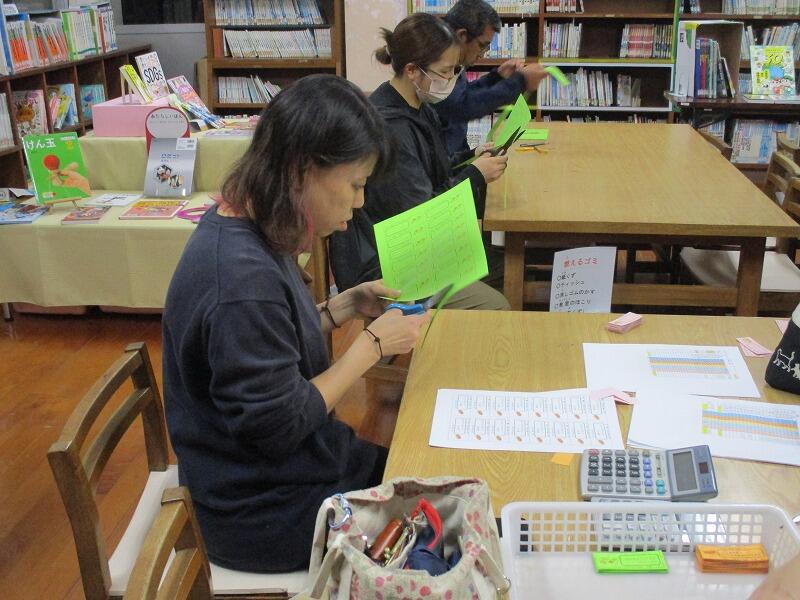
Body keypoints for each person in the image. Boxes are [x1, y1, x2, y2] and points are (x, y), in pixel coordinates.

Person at [161, 74, 431, 573]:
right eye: (355, 185)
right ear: (303, 170)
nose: (359, 202)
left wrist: (343, 307)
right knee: (438, 514)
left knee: (424, 472)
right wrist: (370, 347)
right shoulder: (241, 280)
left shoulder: (247, 223)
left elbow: (272, 342)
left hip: (269, 477)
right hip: (260, 513)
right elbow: (279, 426)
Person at [329, 12, 510, 310]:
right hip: (391, 262)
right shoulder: (391, 128)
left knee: (508, 263)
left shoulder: (416, 105)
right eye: (445, 72)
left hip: (414, 246)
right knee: (497, 301)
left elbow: (430, 167)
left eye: (455, 70)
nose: (451, 80)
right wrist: (475, 175)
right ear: (412, 70)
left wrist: (470, 157)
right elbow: (423, 216)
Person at [436, 0, 548, 155]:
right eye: (482, 45)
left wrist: (497, 77)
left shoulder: (452, 59)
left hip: (455, 158)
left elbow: (462, 94)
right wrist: (520, 81)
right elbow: (462, 106)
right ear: (462, 36)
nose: (482, 54)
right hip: (443, 166)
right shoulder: (435, 64)